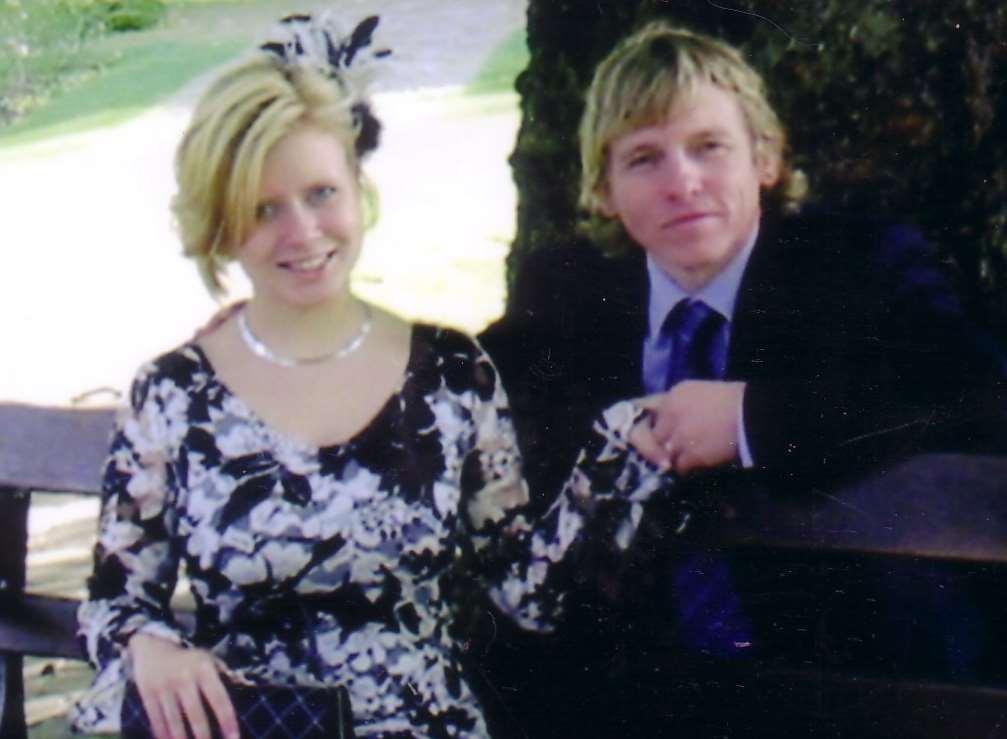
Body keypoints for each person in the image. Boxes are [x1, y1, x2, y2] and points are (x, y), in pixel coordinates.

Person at [71, 13, 668, 739]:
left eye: (321, 193)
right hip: (255, 725)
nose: (303, 232)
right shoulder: (172, 396)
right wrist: (150, 644)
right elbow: (114, 599)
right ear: (222, 227)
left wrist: (622, 451)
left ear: (357, 187)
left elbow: (525, 591)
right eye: (263, 209)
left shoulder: (452, 375)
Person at [478, 20, 1007, 738]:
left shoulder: (856, 267)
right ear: (601, 190)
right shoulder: (570, 292)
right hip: (647, 700)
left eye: (708, 147)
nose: (681, 182)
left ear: (764, 158)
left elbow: (968, 381)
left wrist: (751, 421)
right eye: (643, 159)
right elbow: (462, 393)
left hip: (855, 691)